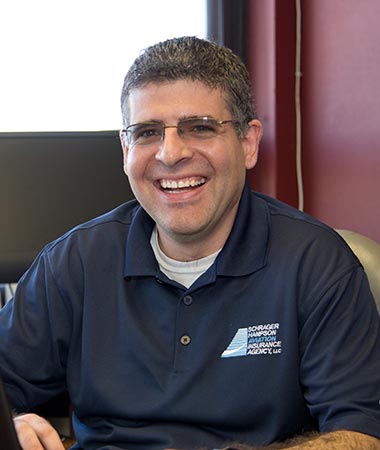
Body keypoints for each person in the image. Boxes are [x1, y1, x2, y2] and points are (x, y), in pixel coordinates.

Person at [0, 36, 379, 450]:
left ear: (249, 142)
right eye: (146, 132)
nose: (170, 153)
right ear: (126, 149)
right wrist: (14, 424)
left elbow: (361, 433)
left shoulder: (317, 264)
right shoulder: (75, 262)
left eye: (199, 127)